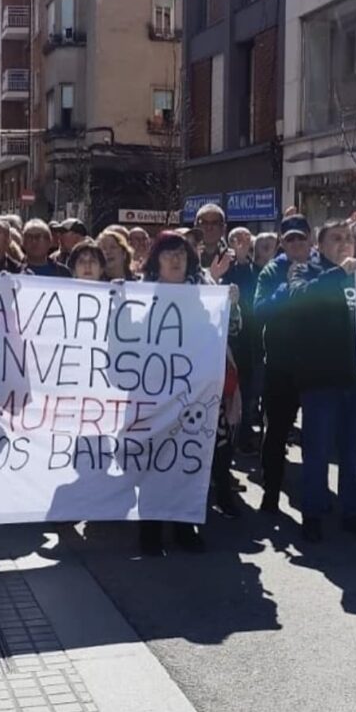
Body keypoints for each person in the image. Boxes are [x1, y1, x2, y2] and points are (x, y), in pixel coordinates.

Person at [138, 231, 242, 554]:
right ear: (156, 260)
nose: (175, 259)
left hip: (193, 395)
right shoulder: (139, 294)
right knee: (153, 464)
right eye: (167, 253)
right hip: (152, 395)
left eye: (181, 254)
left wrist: (232, 307)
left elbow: (230, 332)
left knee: (190, 461)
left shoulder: (204, 294)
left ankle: (185, 527)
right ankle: (150, 531)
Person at [288, 220, 356, 542]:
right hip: (321, 378)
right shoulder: (304, 271)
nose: (344, 244)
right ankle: (312, 512)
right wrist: (339, 273)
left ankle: (353, 511)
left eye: (349, 239)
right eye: (336, 238)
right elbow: (300, 300)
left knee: (353, 453)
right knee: (318, 450)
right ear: (320, 245)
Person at [253, 214, 312, 514]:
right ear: (282, 242)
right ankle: (271, 491)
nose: (297, 244)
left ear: (311, 239)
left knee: (316, 436)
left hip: (317, 366)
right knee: (275, 432)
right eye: (291, 239)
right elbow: (259, 312)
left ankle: (315, 499)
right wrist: (285, 289)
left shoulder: (322, 267)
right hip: (280, 365)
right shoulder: (272, 272)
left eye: (301, 238)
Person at [226, 227, 260, 452]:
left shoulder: (257, 268)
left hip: (252, 341)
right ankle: (232, 440)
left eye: (246, 238)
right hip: (230, 343)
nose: (242, 242)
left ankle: (245, 435)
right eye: (236, 239)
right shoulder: (224, 267)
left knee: (249, 395)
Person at [194, 203, 234, 280]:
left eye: (215, 223)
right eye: (204, 223)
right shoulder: (185, 258)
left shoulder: (233, 260)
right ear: (196, 227)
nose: (209, 227)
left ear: (223, 229)